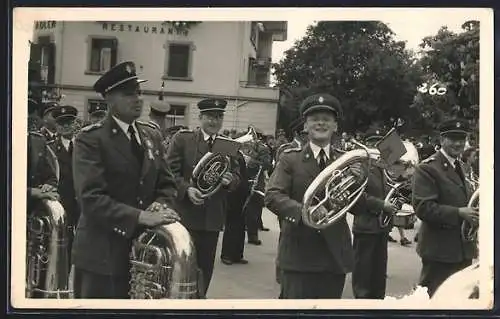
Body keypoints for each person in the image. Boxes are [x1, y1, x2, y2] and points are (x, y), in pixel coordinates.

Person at [71, 61, 180, 299]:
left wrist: (162, 203)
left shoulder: (151, 135)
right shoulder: (91, 139)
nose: (138, 99)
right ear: (109, 99)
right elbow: (90, 198)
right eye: (128, 94)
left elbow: (168, 184)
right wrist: (141, 216)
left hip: (144, 255)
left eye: (139, 93)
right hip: (102, 255)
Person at [265, 93, 355, 299]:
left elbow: (359, 206)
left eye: (327, 119)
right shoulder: (290, 159)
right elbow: (272, 196)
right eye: (315, 119)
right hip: (299, 255)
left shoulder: (347, 161)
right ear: (305, 126)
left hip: (334, 256)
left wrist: (357, 181)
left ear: (335, 126)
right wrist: (307, 213)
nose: (321, 123)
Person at [165, 98, 241, 297]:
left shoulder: (228, 145)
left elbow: (238, 179)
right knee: (181, 267)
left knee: (205, 268)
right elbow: (169, 172)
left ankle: (199, 302)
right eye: (209, 117)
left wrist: (230, 180)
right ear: (200, 117)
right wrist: (187, 189)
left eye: (218, 117)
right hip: (186, 215)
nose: (214, 121)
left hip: (212, 219)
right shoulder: (183, 139)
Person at [412, 118, 478, 297]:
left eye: (461, 139)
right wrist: (459, 213)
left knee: (460, 300)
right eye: (452, 138)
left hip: (463, 249)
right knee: (435, 299)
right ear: (442, 140)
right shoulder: (427, 168)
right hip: (439, 251)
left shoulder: (462, 166)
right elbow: (423, 208)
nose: (458, 143)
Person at [350, 157, 399, 299]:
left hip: (381, 228)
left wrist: (396, 201)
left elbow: (386, 192)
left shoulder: (381, 168)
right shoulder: (361, 167)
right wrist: (381, 205)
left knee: (378, 275)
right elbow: (355, 196)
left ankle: (377, 305)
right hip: (366, 227)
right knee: (363, 276)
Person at [48, 105, 81, 274]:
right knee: (63, 244)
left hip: (82, 203)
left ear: (75, 123)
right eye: (62, 123)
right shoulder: (50, 149)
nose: (66, 126)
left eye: (69, 122)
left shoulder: (84, 147)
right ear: (57, 126)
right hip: (63, 203)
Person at [220, 150, 250, 265]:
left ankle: (238, 254)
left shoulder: (240, 154)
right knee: (231, 224)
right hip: (233, 193)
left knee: (241, 224)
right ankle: (227, 254)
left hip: (242, 191)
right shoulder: (232, 154)